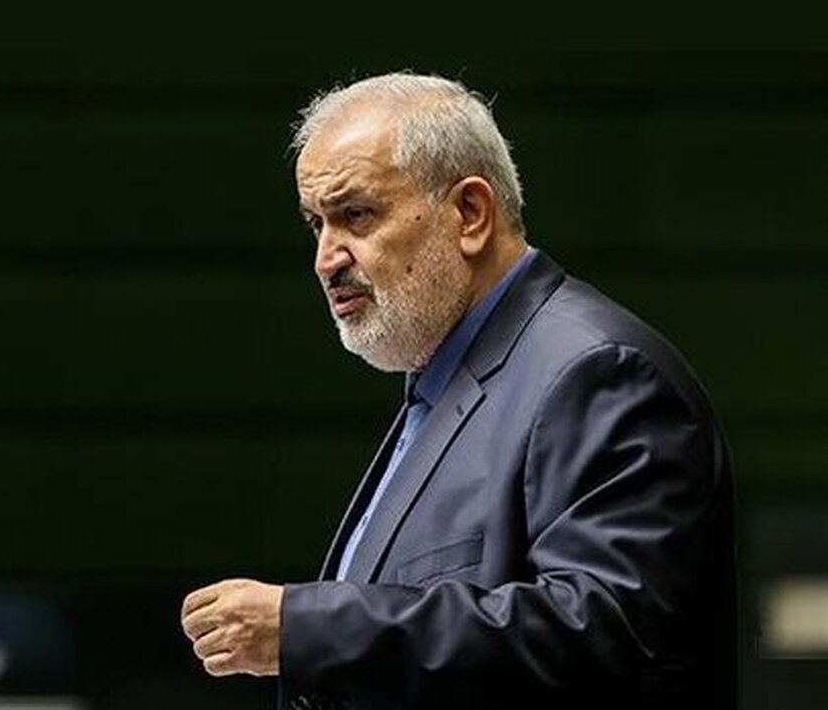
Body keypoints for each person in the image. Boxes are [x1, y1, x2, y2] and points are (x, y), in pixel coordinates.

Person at [179, 73, 736, 709]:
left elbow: (601, 637)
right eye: (316, 224)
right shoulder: (448, 379)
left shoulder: (599, 373)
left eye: (356, 215)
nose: (326, 259)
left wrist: (308, 628)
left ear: (470, 214)